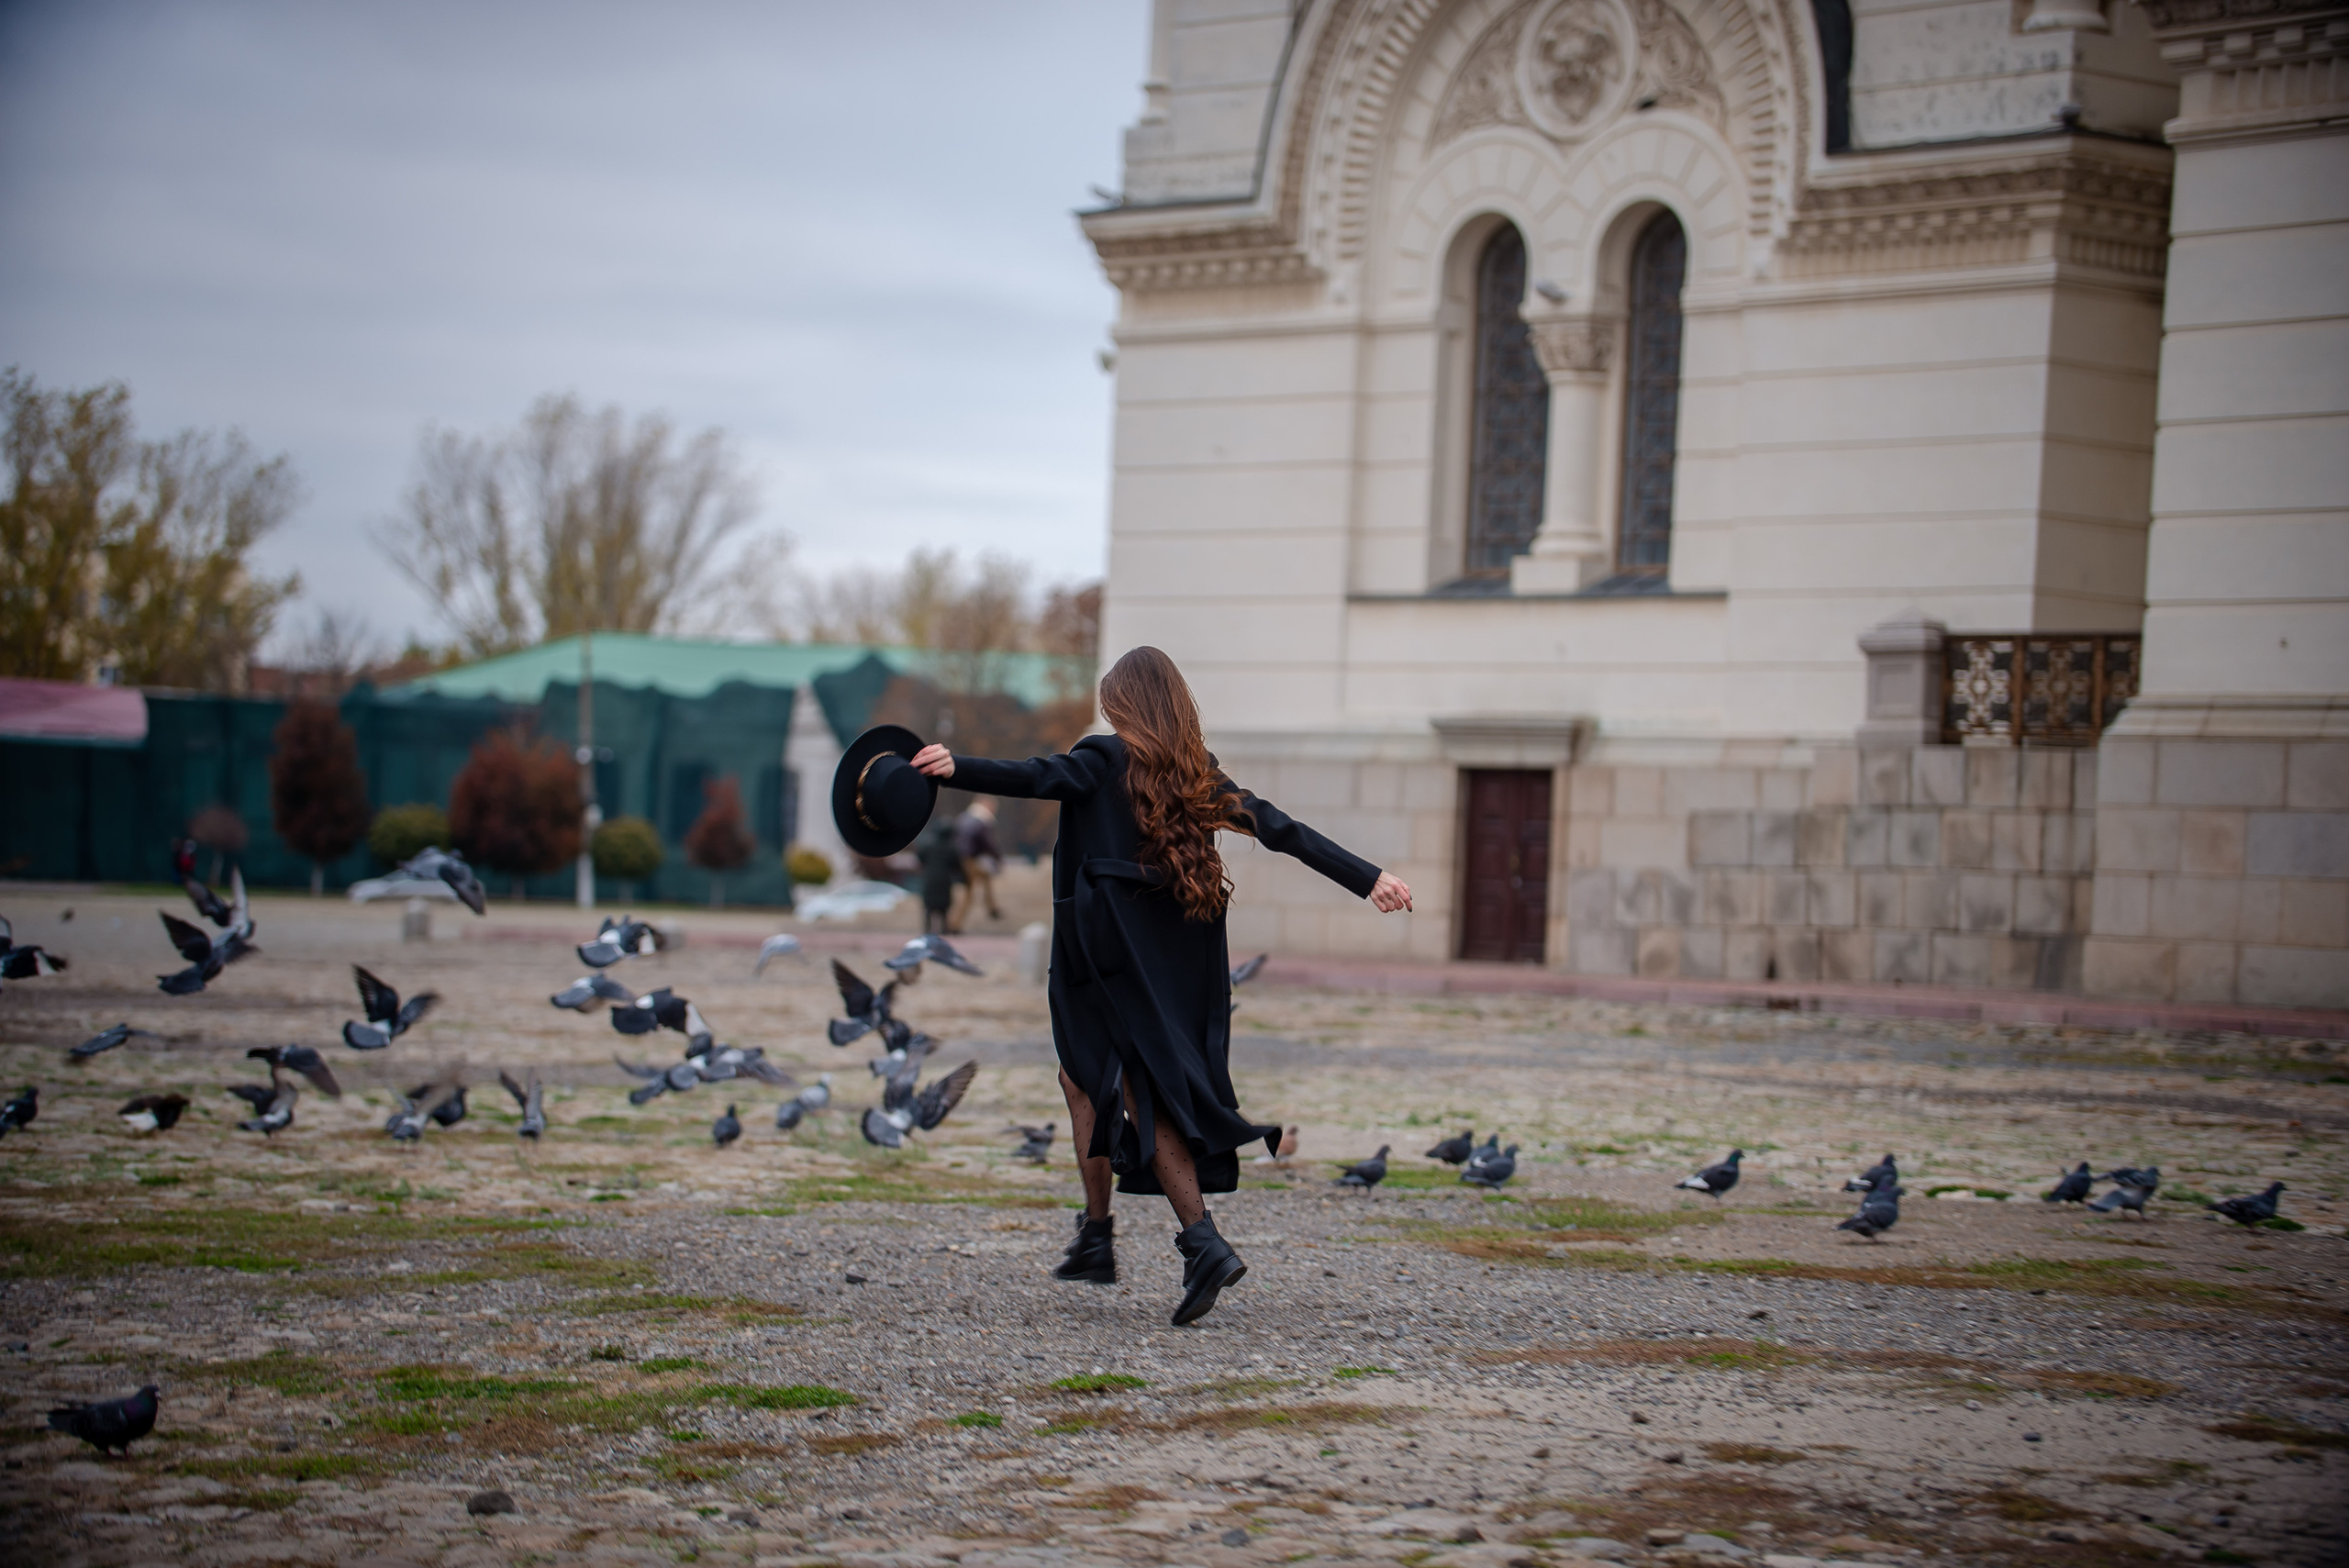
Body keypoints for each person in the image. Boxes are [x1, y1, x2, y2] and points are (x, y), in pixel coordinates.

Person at [912, 645, 1410, 1325]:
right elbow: (1279, 827)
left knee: (1130, 1088)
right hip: (1176, 959)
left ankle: (1197, 1240)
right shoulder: (1196, 773)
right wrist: (1369, 877)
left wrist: (956, 767)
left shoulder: (1101, 756)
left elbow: (1036, 775)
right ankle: (1100, 1233)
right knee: (1084, 1080)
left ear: (1124, 703)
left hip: (1106, 959)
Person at [952, 799, 1005, 929]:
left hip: (962, 858)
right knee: (969, 893)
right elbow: (988, 843)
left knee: (980, 882)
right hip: (970, 859)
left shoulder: (963, 818)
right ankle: (955, 924)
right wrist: (998, 858)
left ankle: (991, 907)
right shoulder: (981, 821)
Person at [913, 817, 962, 936]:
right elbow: (956, 865)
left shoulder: (928, 845)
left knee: (929, 909)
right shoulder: (951, 848)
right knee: (944, 909)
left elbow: (920, 857)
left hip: (930, 879)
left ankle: (927, 932)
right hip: (944, 881)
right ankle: (944, 932)